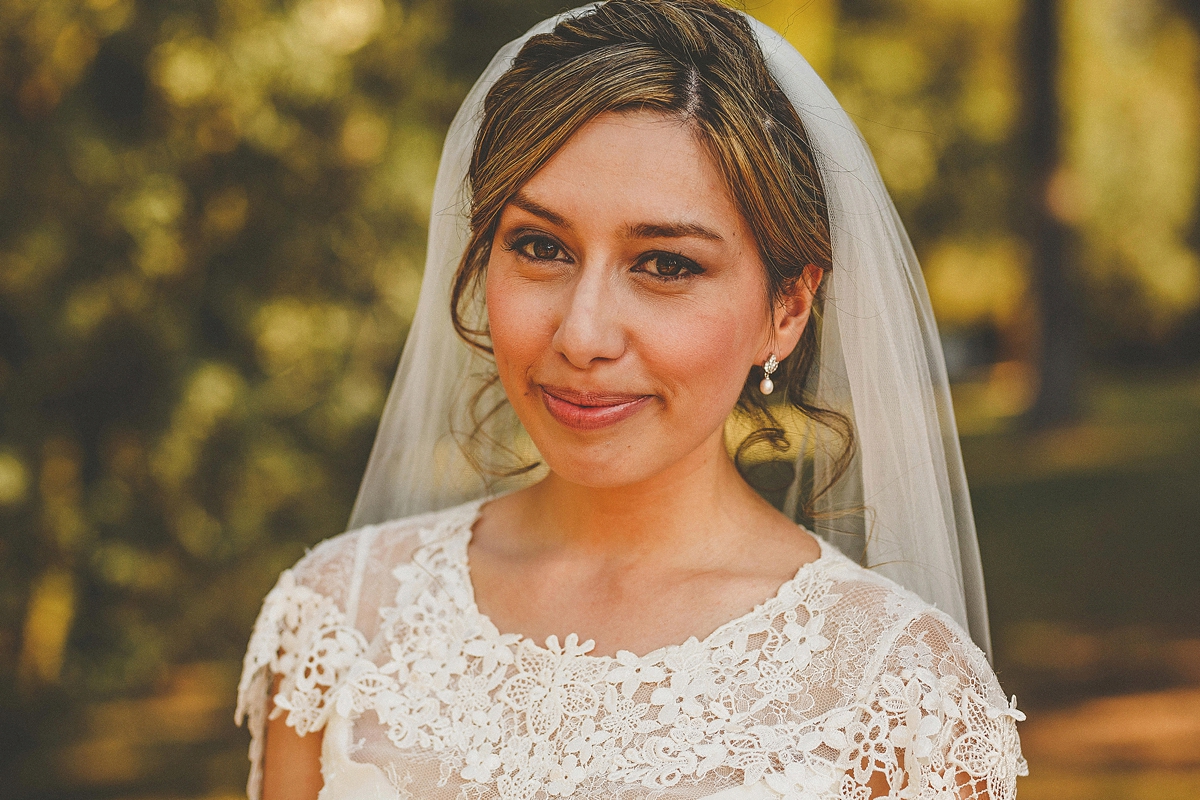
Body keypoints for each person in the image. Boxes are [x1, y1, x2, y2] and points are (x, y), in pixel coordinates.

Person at [236, 1, 1027, 798]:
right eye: (541, 248)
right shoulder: (338, 618)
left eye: (666, 265)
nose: (583, 335)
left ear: (787, 310)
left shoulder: (896, 695)